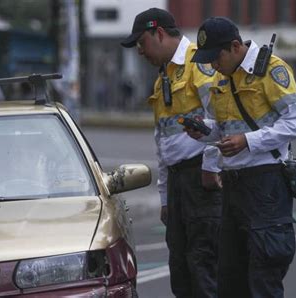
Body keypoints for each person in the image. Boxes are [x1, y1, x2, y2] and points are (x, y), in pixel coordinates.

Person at [189, 17, 296, 297]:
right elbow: (227, 129)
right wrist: (204, 131)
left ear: (234, 47)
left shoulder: (272, 70)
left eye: (216, 57)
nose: (213, 65)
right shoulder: (222, 78)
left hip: (266, 184)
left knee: (264, 274)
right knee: (230, 275)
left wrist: (248, 141)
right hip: (233, 185)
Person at [121, 8, 222, 297]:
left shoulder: (198, 64)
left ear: (160, 33)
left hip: (201, 180)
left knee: (204, 267)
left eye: (141, 43)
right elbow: (163, 142)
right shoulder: (163, 75)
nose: (140, 51)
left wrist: (211, 169)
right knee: (181, 270)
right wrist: (165, 198)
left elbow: (224, 123)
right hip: (179, 184)